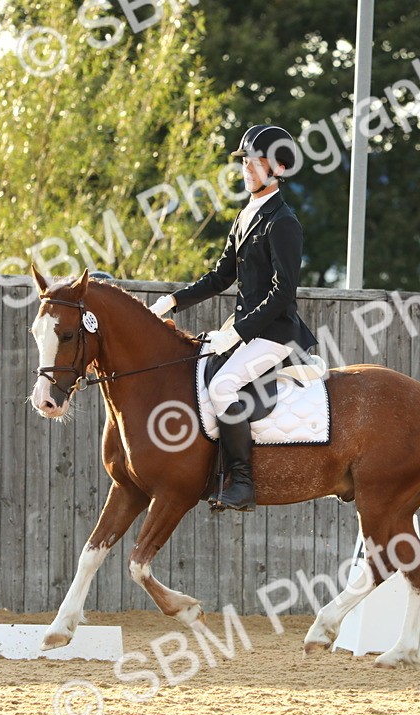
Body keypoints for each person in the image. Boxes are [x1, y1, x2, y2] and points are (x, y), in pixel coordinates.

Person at [148, 124, 317, 511]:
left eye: (254, 162)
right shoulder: (246, 215)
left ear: (277, 168)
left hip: (277, 334)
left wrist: (236, 333)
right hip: (247, 331)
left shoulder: (283, 221)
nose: (246, 169)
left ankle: (241, 482)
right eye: (244, 162)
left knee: (224, 385)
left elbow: (283, 293)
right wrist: (172, 302)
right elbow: (221, 277)